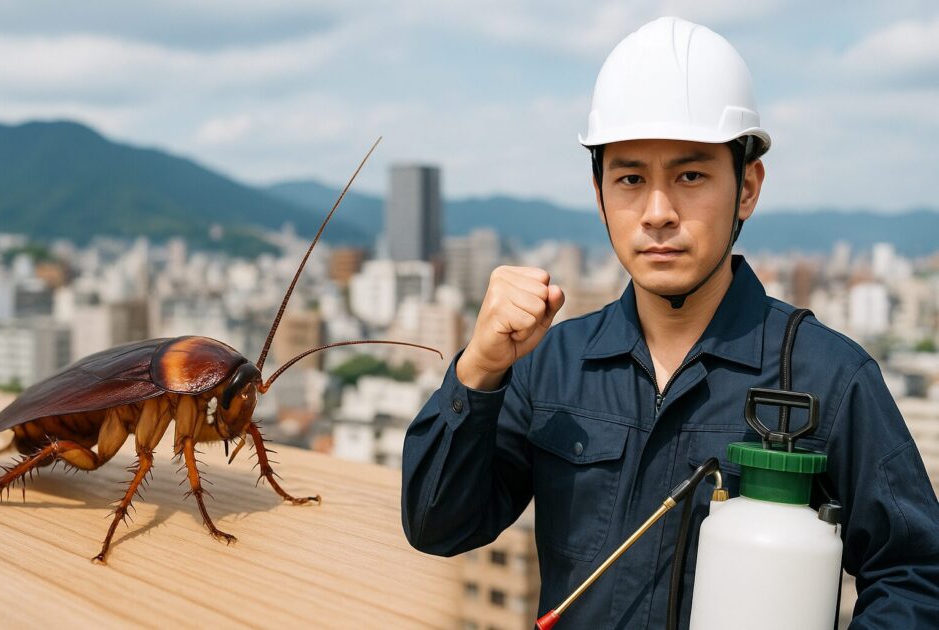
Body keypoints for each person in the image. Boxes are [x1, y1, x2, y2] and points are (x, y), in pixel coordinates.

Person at [401, 16, 939, 629]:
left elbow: (916, 576)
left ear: (747, 187)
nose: (658, 213)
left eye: (690, 176)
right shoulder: (550, 363)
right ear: (599, 194)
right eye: (630, 178)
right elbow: (438, 525)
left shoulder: (828, 378)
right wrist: (479, 368)